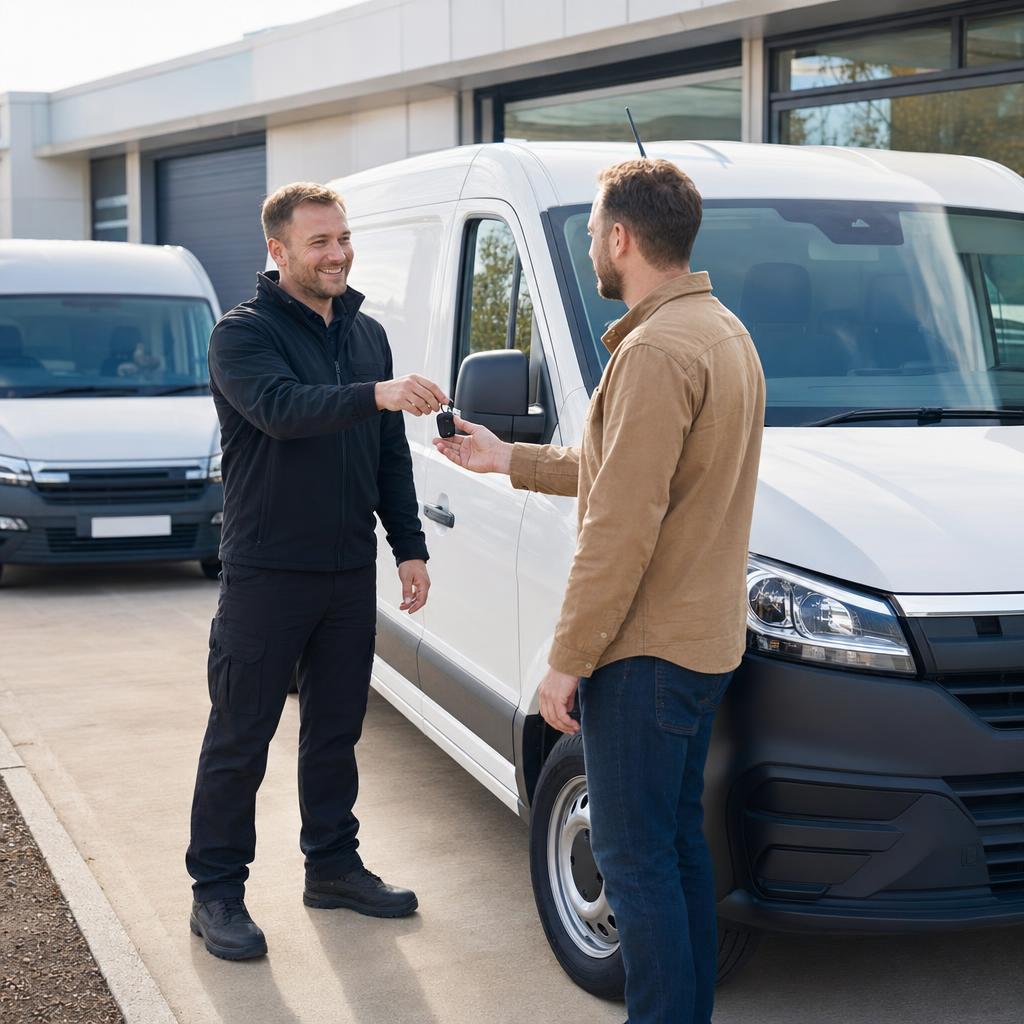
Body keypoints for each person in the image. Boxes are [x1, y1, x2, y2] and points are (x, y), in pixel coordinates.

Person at [433, 159, 765, 1024]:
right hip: (702, 646)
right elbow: (625, 474)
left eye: (591, 233)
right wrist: (510, 458)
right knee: (676, 849)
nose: (590, 248)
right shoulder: (721, 330)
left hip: (647, 654)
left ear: (622, 237)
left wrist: (565, 662)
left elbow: (620, 529)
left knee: (634, 859)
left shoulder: (655, 351)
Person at [187, 182, 449, 961]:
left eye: (342, 238)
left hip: (345, 572)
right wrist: (376, 393)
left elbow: (388, 452)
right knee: (241, 735)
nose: (336, 253)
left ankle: (332, 867)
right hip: (266, 573)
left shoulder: (366, 334)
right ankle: (216, 893)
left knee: (336, 732)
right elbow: (284, 409)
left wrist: (408, 545)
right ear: (279, 251)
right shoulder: (242, 335)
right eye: (318, 242)